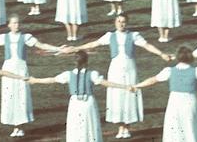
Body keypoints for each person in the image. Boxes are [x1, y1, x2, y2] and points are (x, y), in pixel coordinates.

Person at [69, 12, 171, 140]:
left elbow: (147, 46)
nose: (121, 24)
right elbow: (93, 44)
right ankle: (120, 127)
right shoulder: (109, 36)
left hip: (129, 69)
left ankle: (126, 127)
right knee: (117, 95)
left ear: (127, 23)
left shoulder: (134, 35)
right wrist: (76, 48)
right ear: (115, 23)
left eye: (123, 22)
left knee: (129, 94)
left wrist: (161, 54)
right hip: (115, 69)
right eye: (119, 21)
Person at [0, 13, 67, 138]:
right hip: (8, 69)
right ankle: (14, 126)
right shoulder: (3, 37)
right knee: (10, 96)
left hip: (21, 69)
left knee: (21, 97)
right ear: (9, 25)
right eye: (14, 23)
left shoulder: (26, 37)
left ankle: (20, 126)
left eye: (18, 23)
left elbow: (42, 45)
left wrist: (59, 49)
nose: (16, 25)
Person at [25, 50, 131, 142]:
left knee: (75, 127)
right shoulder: (92, 74)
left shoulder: (68, 74)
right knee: (90, 126)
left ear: (74, 62)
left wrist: (35, 80)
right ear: (86, 61)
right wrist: (124, 86)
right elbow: (106, 83)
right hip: (88, 102)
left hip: (75, 104)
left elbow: (51, 79)